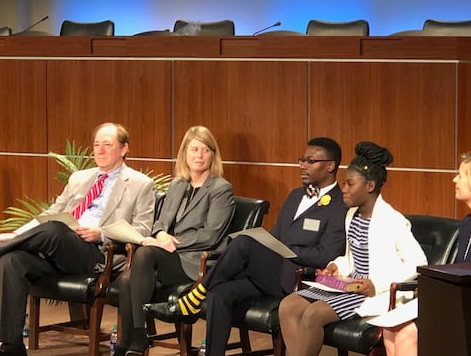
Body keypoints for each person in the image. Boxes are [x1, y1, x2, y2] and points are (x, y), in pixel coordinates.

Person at [0, 123, 155, 356]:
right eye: (96, 145)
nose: (99, 150)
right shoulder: (79, 178)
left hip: (97, 253)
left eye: (107, 145)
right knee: (13, 259)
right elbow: (51, 213)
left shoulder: (140, 183)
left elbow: (142, 230)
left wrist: (100, 233)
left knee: (56, 230)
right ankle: (12, 346)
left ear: (123, 149)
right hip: (58, 248)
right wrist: (15, 234)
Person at [145, 137, 348, 356]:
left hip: (298, 278)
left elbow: (326, 255)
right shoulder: (296, 195)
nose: (302, 165)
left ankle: (195, 296)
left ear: (330, 166)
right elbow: (275, 236)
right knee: (219, 293)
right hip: (269, 273)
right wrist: (271, 245)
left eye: (310, 161)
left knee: (243, 243)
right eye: (301, 159)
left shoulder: (340, 205)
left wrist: (287, 250)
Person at [278, 142, 427, 356]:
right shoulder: (351, 215)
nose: (344, 190)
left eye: (349, 184)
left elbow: (418, 262)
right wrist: (334, 266)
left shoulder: (392, 220)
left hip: (371, 292)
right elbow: (351, 258)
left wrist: (376, 284)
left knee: (314, 314)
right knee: (289, 305)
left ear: (369, 186)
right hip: (348, 285)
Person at [379, 151, 471, 356]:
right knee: (390, 328)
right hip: (455, 304)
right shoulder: (468, 223)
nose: (454, 179)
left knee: (406, 334)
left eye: (461, 175)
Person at [115, 126, 235, 356]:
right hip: (169, 256)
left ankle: (137, 339)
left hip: (194, 261)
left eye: (205, 150)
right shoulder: (178, 184)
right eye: (194, 149)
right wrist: (160, 235)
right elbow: (160, 222)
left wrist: (172, 242)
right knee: (127, 279)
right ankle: (130, 343)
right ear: (185, 155)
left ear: (213, 154)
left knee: (146, 254)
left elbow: (211, 235)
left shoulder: (221, 189)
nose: (199, 155)